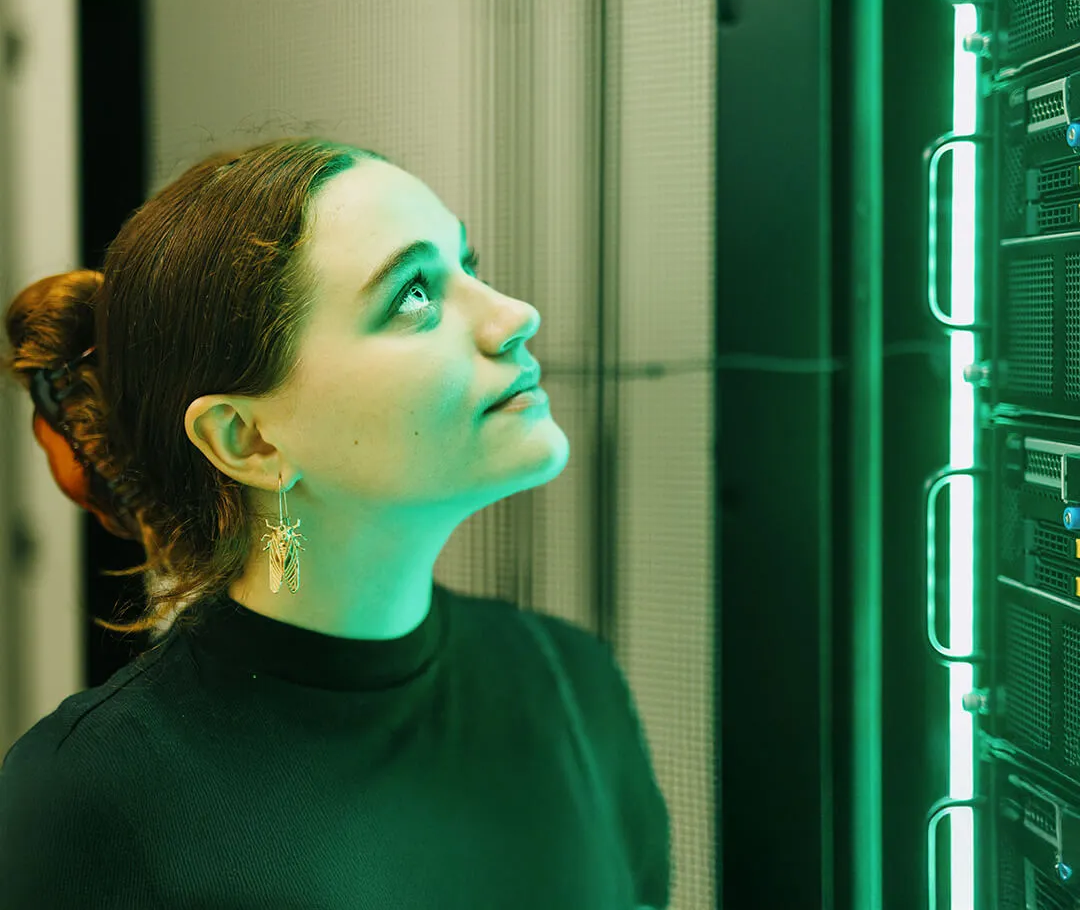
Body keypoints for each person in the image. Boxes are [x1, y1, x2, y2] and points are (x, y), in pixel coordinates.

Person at [0, 137, 671, 908]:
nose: (515, 315)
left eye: (469, 267)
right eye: (414, 295)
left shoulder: (569, 684)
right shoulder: (88, 793)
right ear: (249, 440)